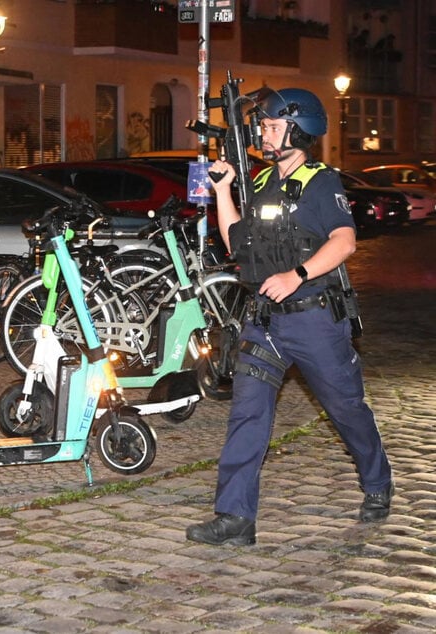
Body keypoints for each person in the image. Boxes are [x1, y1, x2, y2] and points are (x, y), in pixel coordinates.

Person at [186, 87, 393, 546]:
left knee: (346, 408)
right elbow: (236, 242)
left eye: (273, 126)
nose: (264, 133)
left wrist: (297, 274)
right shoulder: (260, 182)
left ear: (299, 131)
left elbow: (344, 242)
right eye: (263, 126)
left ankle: (377, 481)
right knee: (247, 412)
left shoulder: (323, 183)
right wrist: (223, 192)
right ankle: (235, 518)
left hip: (314, 319)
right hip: (266, 321)